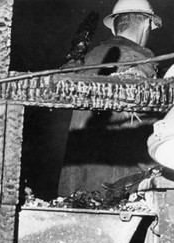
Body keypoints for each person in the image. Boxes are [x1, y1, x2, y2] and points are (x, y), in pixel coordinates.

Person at [58, 0, 162, 196]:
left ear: (114, 28)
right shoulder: (140, 58)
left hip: (75, 182)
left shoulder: (87, 59)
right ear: (147, 24)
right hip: (118, 187)